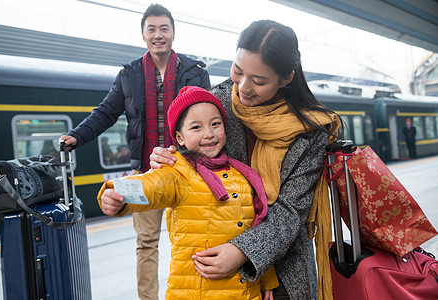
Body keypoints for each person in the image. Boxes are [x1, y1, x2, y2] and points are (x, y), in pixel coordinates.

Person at [150, 20, 342, 300]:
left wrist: (242, 251)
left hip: (285, 275)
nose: (243, 87)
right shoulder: (216, 103)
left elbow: (290, 211)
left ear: (286, 78)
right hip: (217, 268)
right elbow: (193, 154)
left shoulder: (310, 131)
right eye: (238, 71)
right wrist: (168, 157)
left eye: (259, 81)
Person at [59, 4, 210, 299]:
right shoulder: (129, 75)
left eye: (164, 28)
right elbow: (105, 113)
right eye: (151, 29)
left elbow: (210, 115)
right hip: (147, 170)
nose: (158, 35)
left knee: (196, 238)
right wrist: (77, 135)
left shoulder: (194, 72)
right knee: (146, 242)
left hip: (190, 170)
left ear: (173, 33)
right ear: (143, 35)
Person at [98, 86, 279, 299]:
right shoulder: (178, 172)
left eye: (215, 124)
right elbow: (153, 184)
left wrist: (267, 277)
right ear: (179, 138)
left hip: (246, 292)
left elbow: (254, 231)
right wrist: (118, 194)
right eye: (196, 127)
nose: (209, 134)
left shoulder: (241, 175)